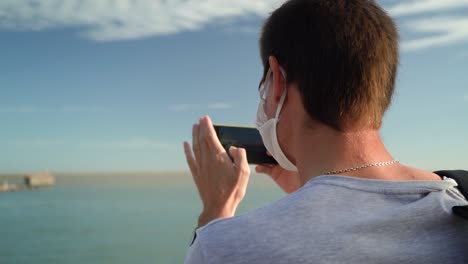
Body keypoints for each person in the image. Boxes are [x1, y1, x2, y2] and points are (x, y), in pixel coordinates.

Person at [182, 0, 468, 263]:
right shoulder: (457, 203)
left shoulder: (224, 246)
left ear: (277, 81)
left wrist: (217, 210)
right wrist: (311, 191)